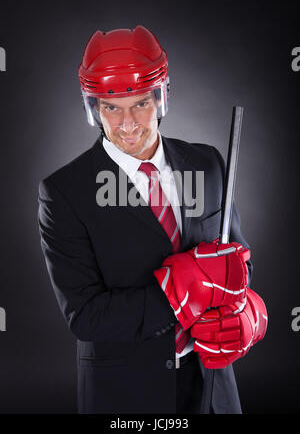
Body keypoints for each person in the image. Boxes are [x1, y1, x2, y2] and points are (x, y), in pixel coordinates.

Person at [37, 25, 267, 414]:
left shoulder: (208, 163)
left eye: (140, 103)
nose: (127, 124)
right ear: (92, 108)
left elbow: (239, 263)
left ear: (161, 98)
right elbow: (86, 316)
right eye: (111, 108)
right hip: (125, 396)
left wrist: (249, 313)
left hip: (214, 390)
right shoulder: (63, 193)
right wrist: (177, 295)